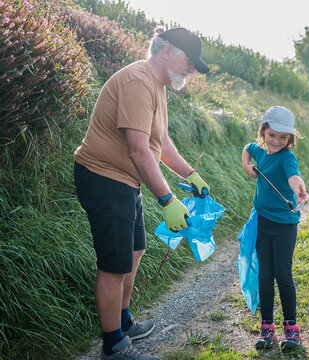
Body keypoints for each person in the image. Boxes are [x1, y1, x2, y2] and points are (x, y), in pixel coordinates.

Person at [73, 27, 210, 360]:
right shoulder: (138, 81)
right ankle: (115, 347)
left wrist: (190, 174)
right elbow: (138, 151)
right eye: (190, 61)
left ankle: (122, 322)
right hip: (104, 178)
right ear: (167, 52)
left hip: (124, 181)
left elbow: (159, 144)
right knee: (114, 266)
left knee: (134, 252)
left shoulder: (157, 85)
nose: (191, 69)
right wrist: (167, 200)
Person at [241, 106, 309, 351]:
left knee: (283, 274)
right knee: (264, 274)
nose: (277, 141)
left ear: (290, 138)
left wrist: (299, 190)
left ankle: (291, 328)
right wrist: (247, 167)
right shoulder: (260, 150)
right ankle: (267, 327)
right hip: (262, 222)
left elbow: (294, 177)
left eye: (283, 137)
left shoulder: (286, 157)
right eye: (272, 135)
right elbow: (247, 149)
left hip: (284, 226)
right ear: (264, 131)